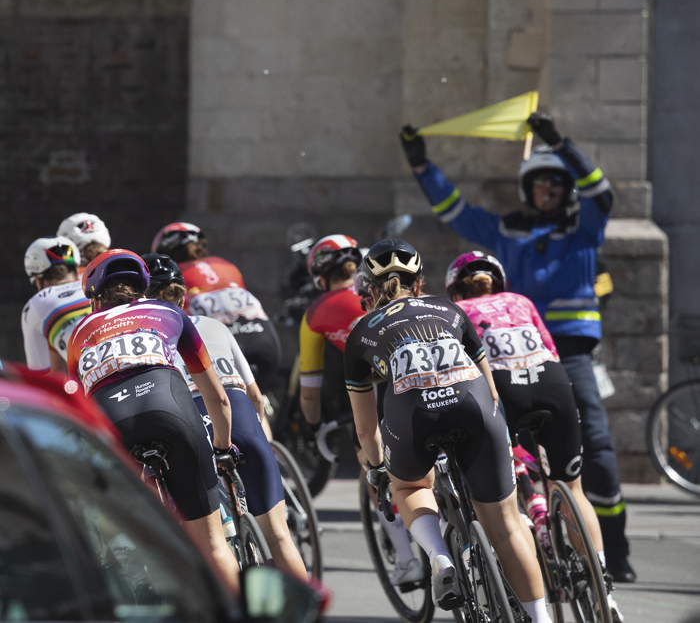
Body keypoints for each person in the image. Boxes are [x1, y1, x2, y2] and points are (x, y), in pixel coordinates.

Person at [400, 112, 635, 582]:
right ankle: (537, 541)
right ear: (527, 189)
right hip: (505, 352)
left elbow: (601, 193)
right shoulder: (506, 232)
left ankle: (614, 551)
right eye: (539, 182)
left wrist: (559, 143)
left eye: (555, 182)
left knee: (600, 449)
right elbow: (455, 211)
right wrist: (423, 166)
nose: (547, 189)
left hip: (565, 350)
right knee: (512, 453)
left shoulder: (584, 229)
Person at [345, 239, 551, 622]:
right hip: (474, 407)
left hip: (411, 418)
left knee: (410, 487)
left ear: (370, 291)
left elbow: (365, 424)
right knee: (506, 528)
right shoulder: (449, 308)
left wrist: (377, 470)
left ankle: (440, 558)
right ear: (419, 284)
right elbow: (490, 389)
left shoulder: (360, 333)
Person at [445, 251, 623, 621]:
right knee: (571, 487)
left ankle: (525, 541)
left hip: (503, 390)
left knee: (503, 505)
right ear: (498, 281)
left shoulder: (458, 314)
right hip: (553, 383)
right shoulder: (521, 301)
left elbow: (460, 373)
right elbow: (551, 349)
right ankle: (604, 586)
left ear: (455, 291)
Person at [66, 249, 240, 595]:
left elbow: (77, 412)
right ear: (143, 288)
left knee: (114, 539)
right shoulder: (169, 311)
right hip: (171, 411)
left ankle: (134, 581)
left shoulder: (77, 334)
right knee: (214, 544)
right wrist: (222, 446)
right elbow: (217, 397)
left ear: (94, 298)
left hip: (112, 429)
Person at [142, 253, 307, 581]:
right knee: (279, 537)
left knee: (214, 545)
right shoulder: (214, 326)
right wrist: (262, 442)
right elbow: (257, 396)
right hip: (243, 419)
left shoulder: (148, 339)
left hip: (196, 425)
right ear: (182, 293)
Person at [151, 222, 281, 394]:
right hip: (264, 344)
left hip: (222, 353)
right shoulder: (226, 265)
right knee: (256, 407)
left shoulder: (174, 277)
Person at [298, 235, 365, 433]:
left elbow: (309, 395)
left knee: (366, 450)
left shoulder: (316, 311)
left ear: (321, 278)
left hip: (391, 387)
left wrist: (314, 425)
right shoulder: (385, 287)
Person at [22, 236, 92, 372]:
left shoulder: (34, 305)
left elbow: (43, 376)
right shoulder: (94, 285)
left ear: (37, 279)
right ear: (76, 269)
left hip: (94, 380)